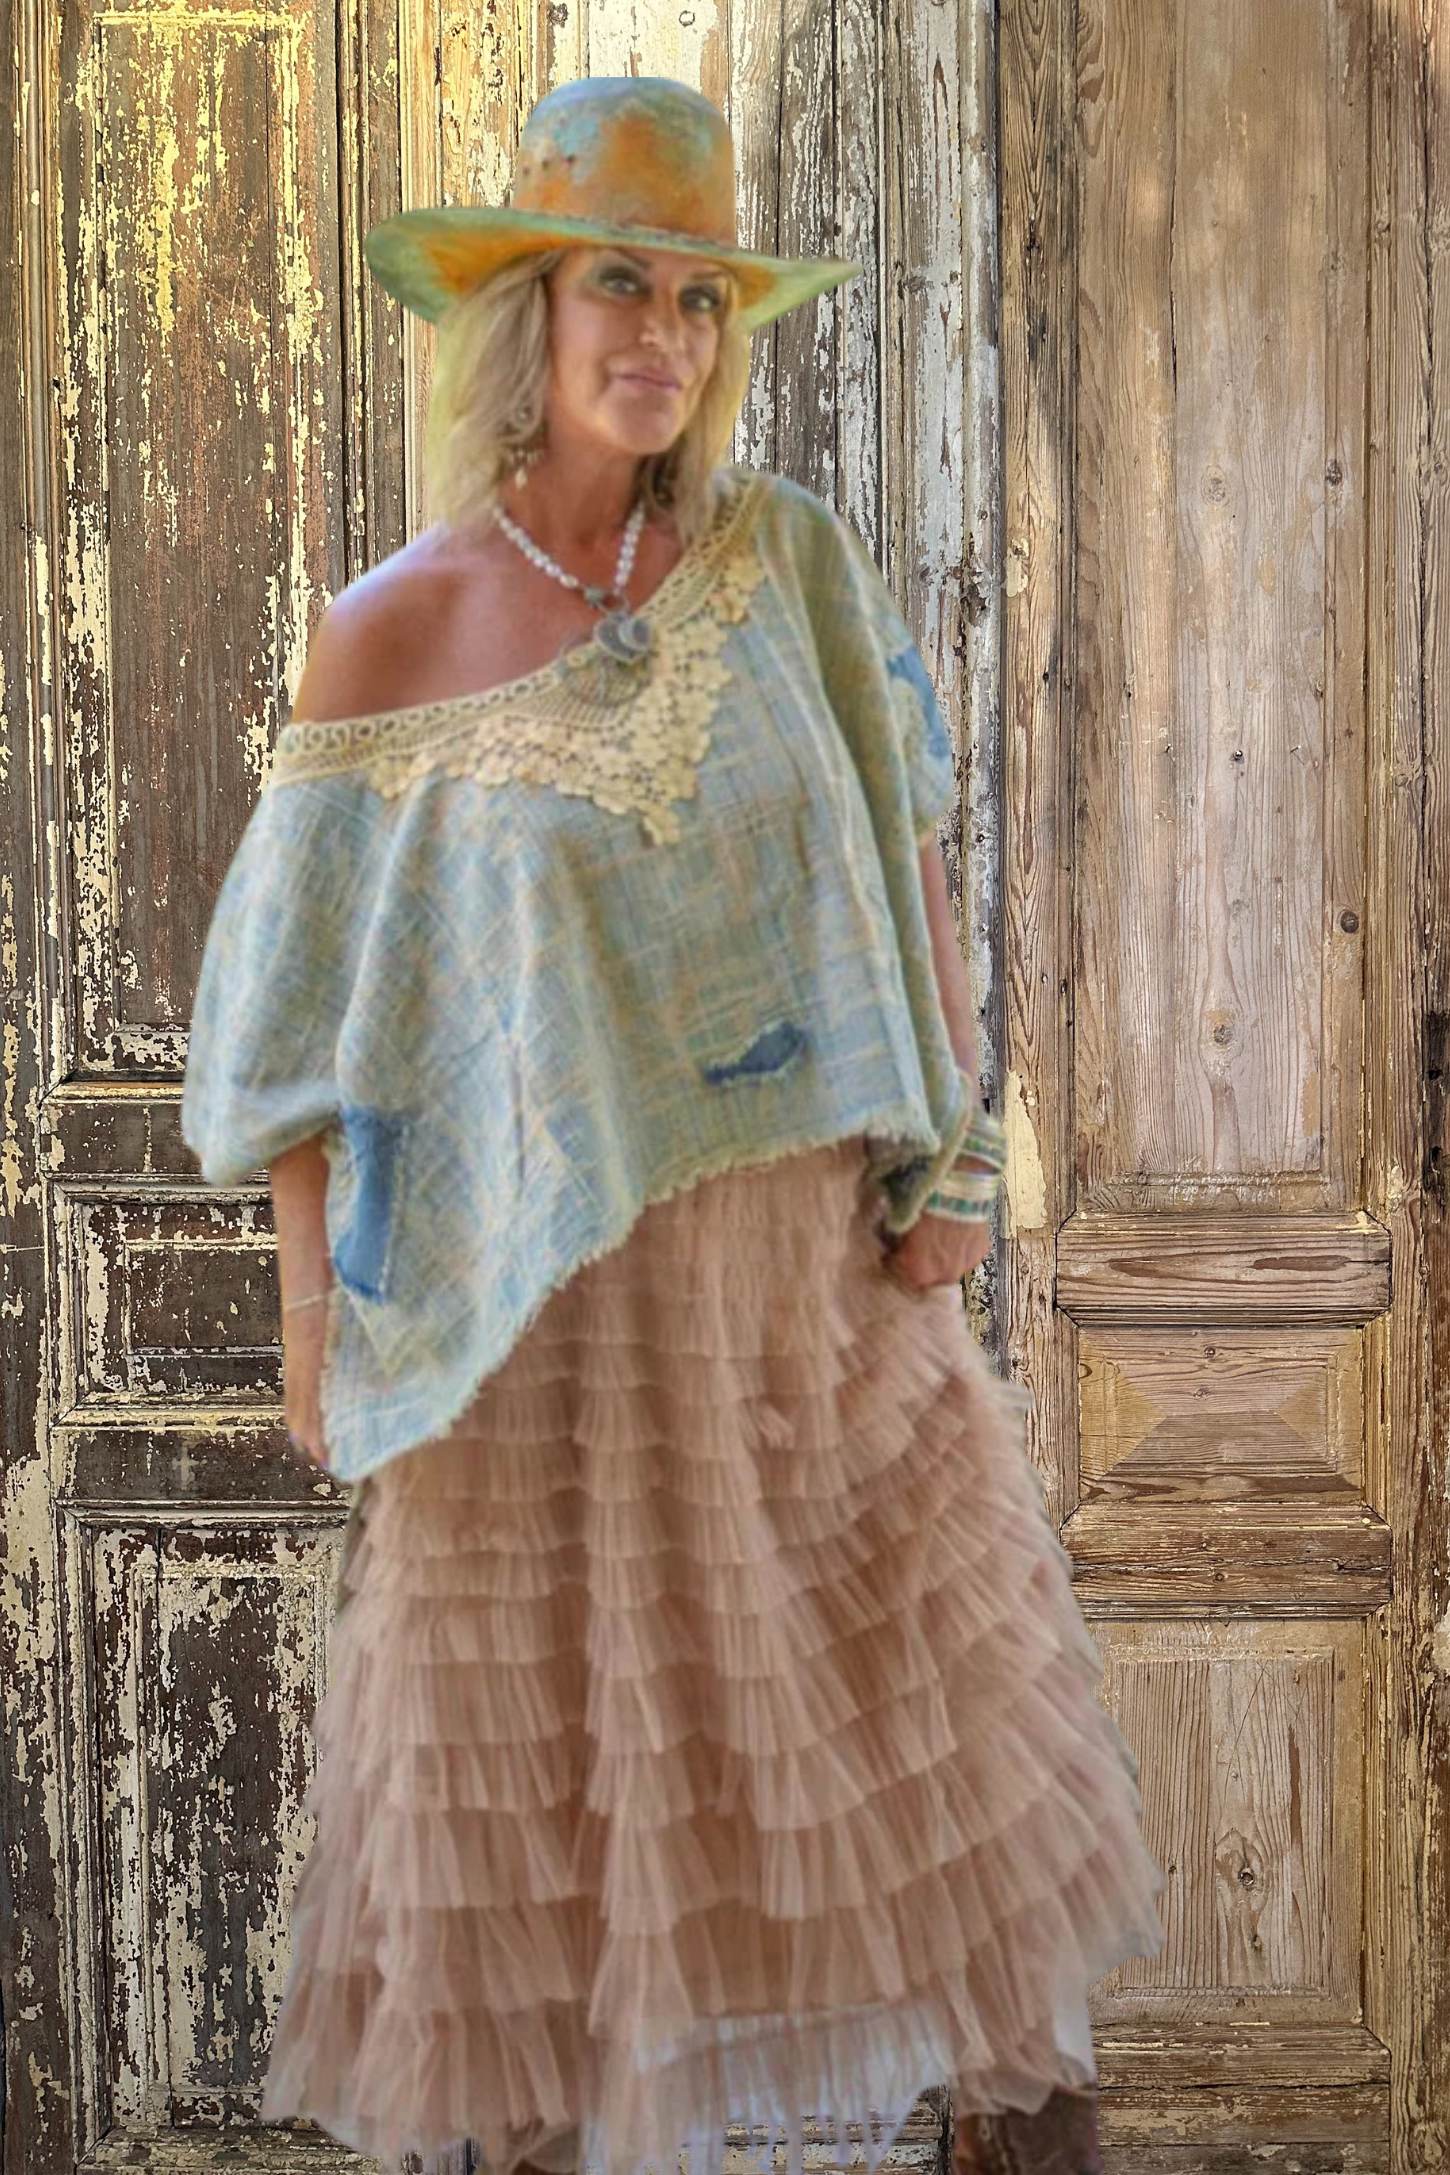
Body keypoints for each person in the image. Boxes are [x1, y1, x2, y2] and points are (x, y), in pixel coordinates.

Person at [180, 74, 1163, 2175]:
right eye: (619, 283)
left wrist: (958, 1156)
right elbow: (289, 1032)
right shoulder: (389, 631)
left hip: (807, 1315)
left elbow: (911, 859)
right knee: (539, 1917)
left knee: (969, 1854)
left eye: (701, 299)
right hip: (523, 1353)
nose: (664, 335)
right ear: (526, 308)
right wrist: (308, 1318)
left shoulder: (778, 561)